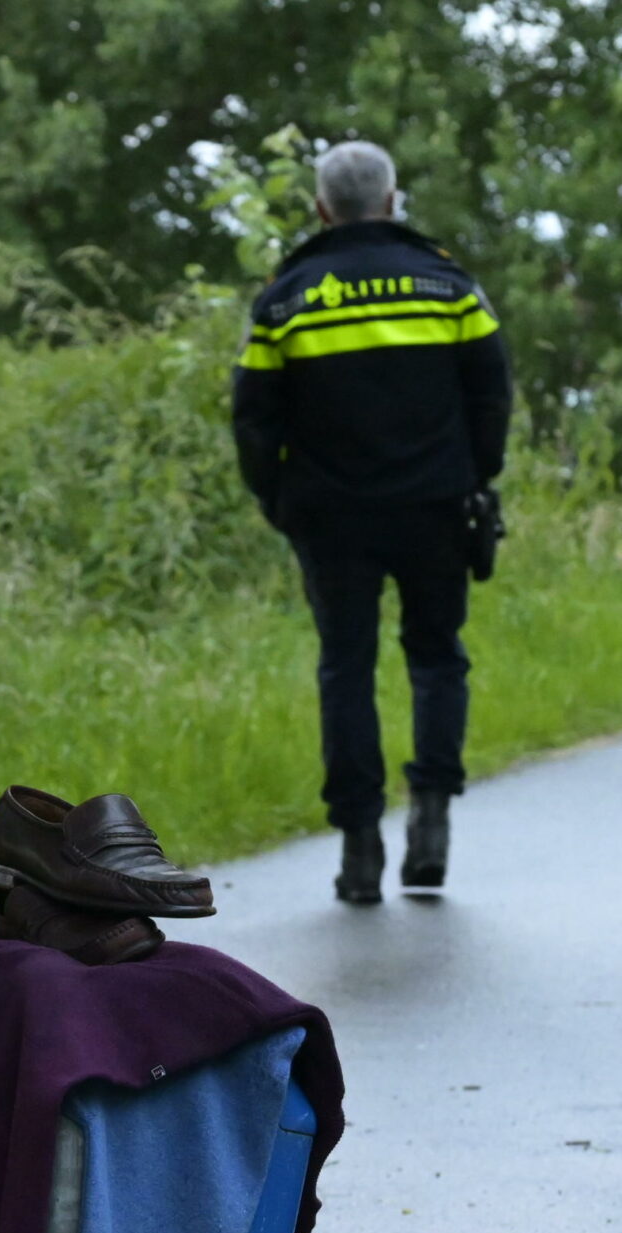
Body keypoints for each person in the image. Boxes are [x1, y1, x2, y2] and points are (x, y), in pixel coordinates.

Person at [230, 139, 511, 902]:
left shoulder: (287, 298)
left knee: (345, 668)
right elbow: (493, 394)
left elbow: (252, 418)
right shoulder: (448, 286)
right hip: (435, 510)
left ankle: (359, 850)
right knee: (436, 657)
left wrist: (278, 500)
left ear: (322, 208)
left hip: (330, 518)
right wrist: (476, 478)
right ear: (392, 200)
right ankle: (430, 824)